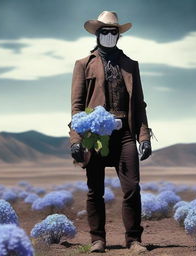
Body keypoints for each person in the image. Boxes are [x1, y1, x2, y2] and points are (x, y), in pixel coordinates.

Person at [68, 10, 153, 254]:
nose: (108, 35)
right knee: (95, 190)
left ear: (118, 34)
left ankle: (134, 240)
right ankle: (98, 240)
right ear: (97, 34)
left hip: (125, 132)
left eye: (112, 31)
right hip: (94, 135)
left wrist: (144, 136)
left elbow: (139, 104)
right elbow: (76, 107)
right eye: (103, 31)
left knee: (132, 187)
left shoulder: (130, 65)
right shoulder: (83, 64)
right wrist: (76, 139)